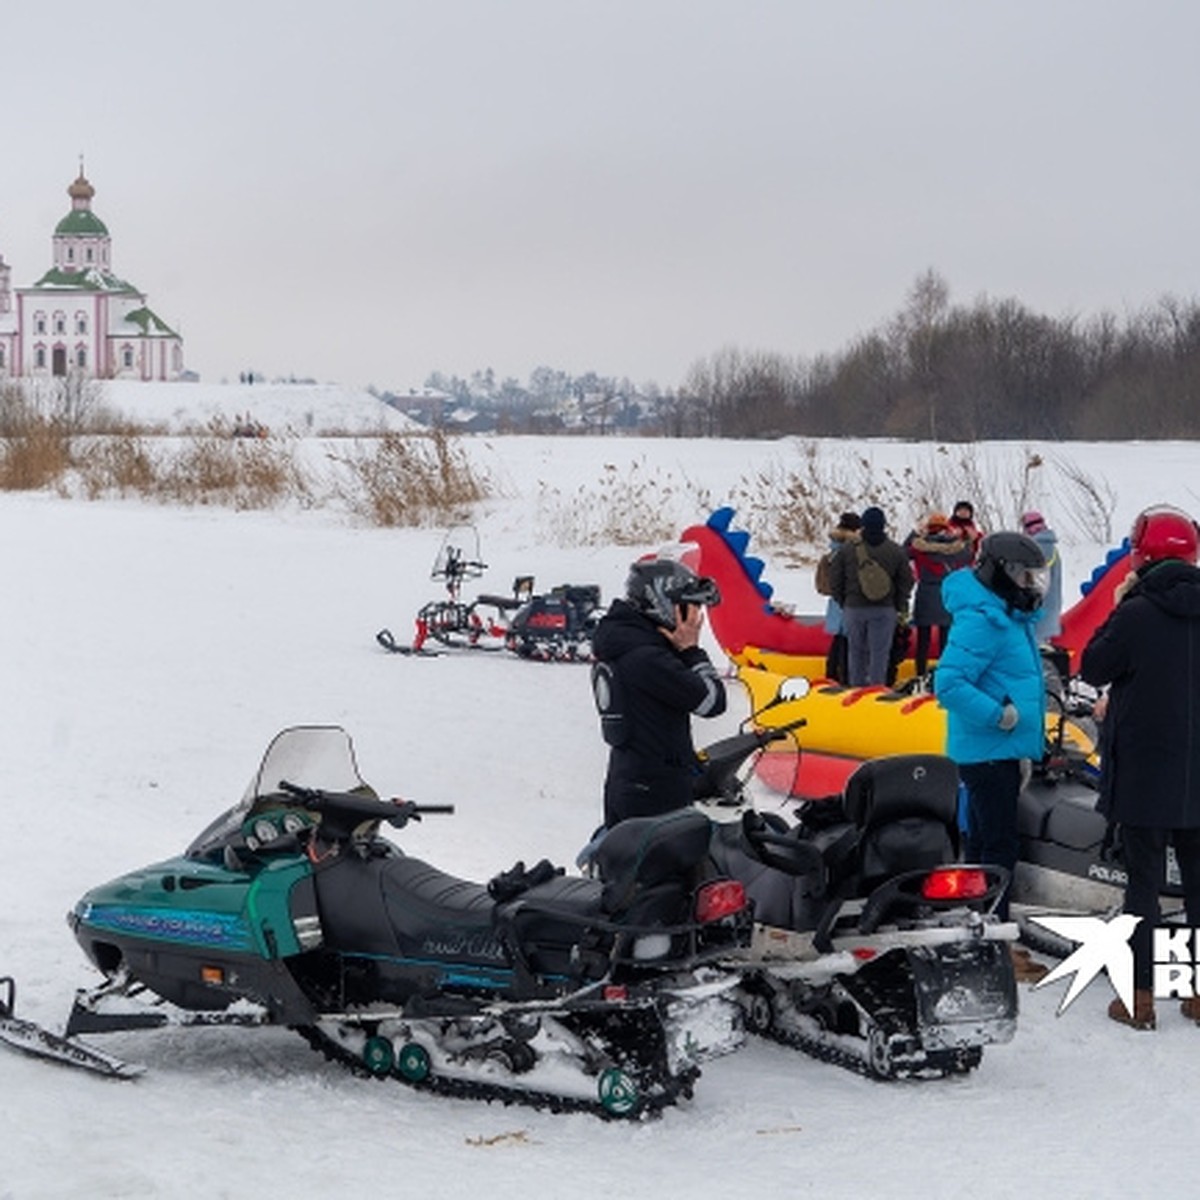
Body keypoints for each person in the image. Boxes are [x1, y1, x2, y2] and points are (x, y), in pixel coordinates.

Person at [1079, 504, 1200, 1031]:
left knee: (1142, 888)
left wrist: (1117, 606)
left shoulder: (1135, 613)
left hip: (1145, 775)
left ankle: (1140, 996)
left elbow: (1093, 665)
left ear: (1140, 556)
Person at [934, 531, 1048, 980]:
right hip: (988, 749)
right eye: (1022, 574)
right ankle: (994, 938)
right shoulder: (983, 618)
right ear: (999, 572)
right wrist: (998, 716)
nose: (1029, 584)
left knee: (983, 842)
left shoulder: (1006, 615)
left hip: (1000, 750)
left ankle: (975, 925)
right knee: (998, 844)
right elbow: (949, 684)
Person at [591, 555, 726, 828]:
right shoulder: (647, 658)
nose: (696, 617)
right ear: (665, 604)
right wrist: (692, 651)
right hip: (656, 793)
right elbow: (713, 701)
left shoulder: (623, 640)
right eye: (689, 607)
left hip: (629, 779)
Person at [828, 506, 913, 687]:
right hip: (884, 610)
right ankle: (876, 693)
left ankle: (856, 692)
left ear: (863, 525)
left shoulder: (847, 549)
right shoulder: (896, 550)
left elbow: (835, 579)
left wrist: (844, 601)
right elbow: (907, 581)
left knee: (856, 653)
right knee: (879, 654)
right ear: (884, 525)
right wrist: (897, 604)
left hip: (854, 608)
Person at [904, 512, 973, 679]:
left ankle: (920, 675)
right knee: (946, 639)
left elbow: (903, 552)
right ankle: (944, 676)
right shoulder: (955, 549)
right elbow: (969, 555)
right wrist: (966, 538)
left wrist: (914, 534)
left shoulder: (919, 547)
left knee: (923, 640)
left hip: (926, 593)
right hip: (947, 594)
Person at [818, 512, 861, 683]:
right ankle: (843, 678)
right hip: (848, 601)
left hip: (835, 601)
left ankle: (830, 674)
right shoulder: (851, 550)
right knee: (847, 643)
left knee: (838, 640)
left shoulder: (833, 550)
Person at [1021, 511, 1063, 645]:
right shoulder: (1052, 547)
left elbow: (1031, 583)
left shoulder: (1035, 549)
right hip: (1052, 606)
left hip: (1037, 611)